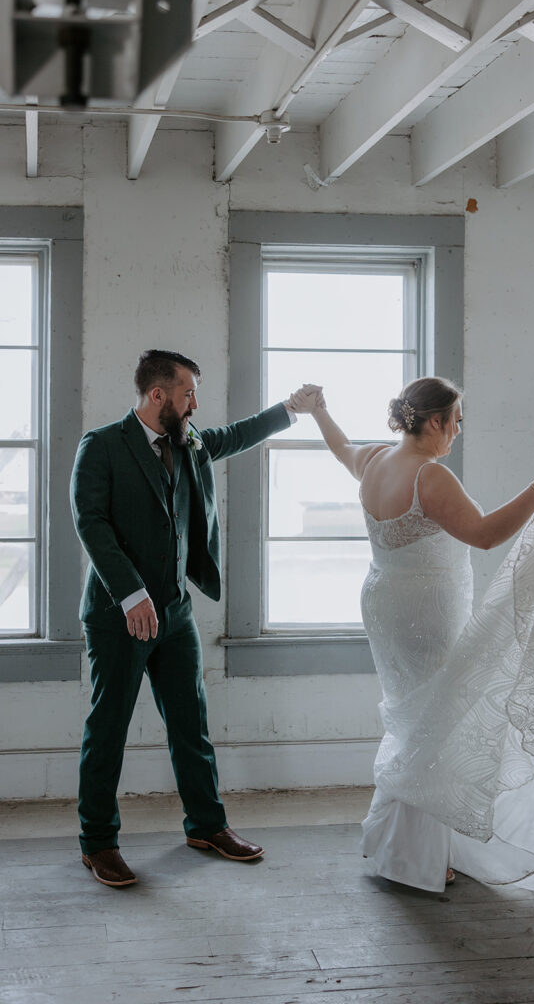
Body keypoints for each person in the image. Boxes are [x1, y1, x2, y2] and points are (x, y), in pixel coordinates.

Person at [292, 377, 534, 893]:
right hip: (425, 615)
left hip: (382, 603)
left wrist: (320, 412)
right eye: (456, 420)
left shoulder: (374, 460)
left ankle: (407, 843)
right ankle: (417, 854)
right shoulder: (430, 478)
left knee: (420, 720)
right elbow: (484, 536)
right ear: (434, 420)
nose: (458, 431)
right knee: (437, 724)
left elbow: (340, 448)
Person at [70, 349, 317, 887]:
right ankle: (98, 843)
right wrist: (131, 593)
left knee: (191, 726)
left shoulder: (191, 440)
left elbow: (236, 434)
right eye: (187, 394)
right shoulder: (103, 446)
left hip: (176, 613)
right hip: (119, 614)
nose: (194, 404)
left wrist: (289, 410)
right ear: (157, 395)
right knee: (107, 731)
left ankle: (207, 825)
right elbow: (90, 522)